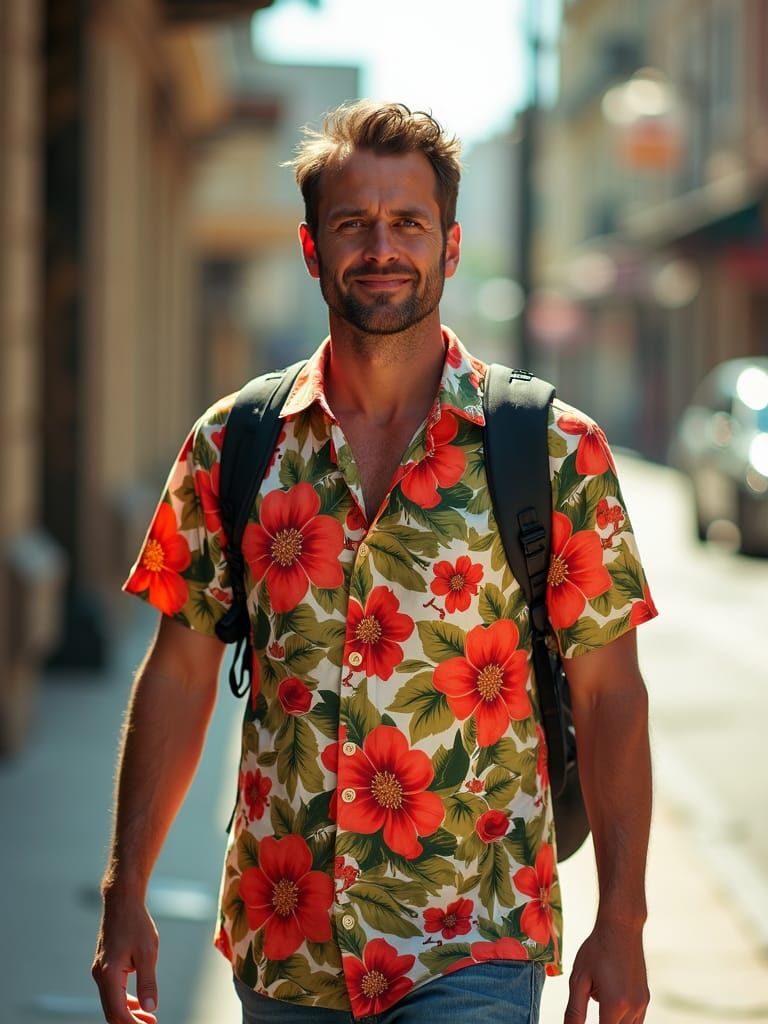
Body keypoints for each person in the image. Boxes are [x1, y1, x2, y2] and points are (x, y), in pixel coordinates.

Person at [92, 100, 655, 1024]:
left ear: (452, 245)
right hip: (284, 947)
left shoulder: (553, 451)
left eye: (408, 222)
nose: (381, 246)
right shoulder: (234, 445)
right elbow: (182, 672)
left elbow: (609, 697)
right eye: (353, 223)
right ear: (313, 249)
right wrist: (126, 891)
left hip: (474, 938)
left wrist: (622, 920)